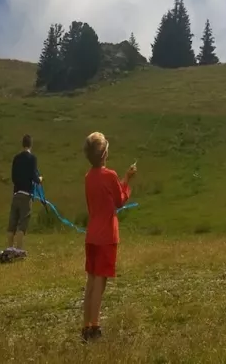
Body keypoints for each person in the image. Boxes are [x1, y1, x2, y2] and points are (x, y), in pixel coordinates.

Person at [80, 131, 135, 342]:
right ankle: (94, 327)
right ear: (104, 154)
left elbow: (98, 201)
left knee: (91, 281)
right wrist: (128, 180)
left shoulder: (88, 177)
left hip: (92, 235)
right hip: (106, 237)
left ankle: (86, 326)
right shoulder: (110, 175)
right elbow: (120, 199)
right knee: (100, 284)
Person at [8, 134, 42, 250]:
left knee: (12, 222)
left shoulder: (16, 158)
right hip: (26, 195)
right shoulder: (32, 158)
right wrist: (39, 179)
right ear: (31, 145)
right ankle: (19, 249)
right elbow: (34, 176)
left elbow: (13, 177)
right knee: (23, 223)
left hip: (16, 194)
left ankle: (9, 248)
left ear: (22, 144)